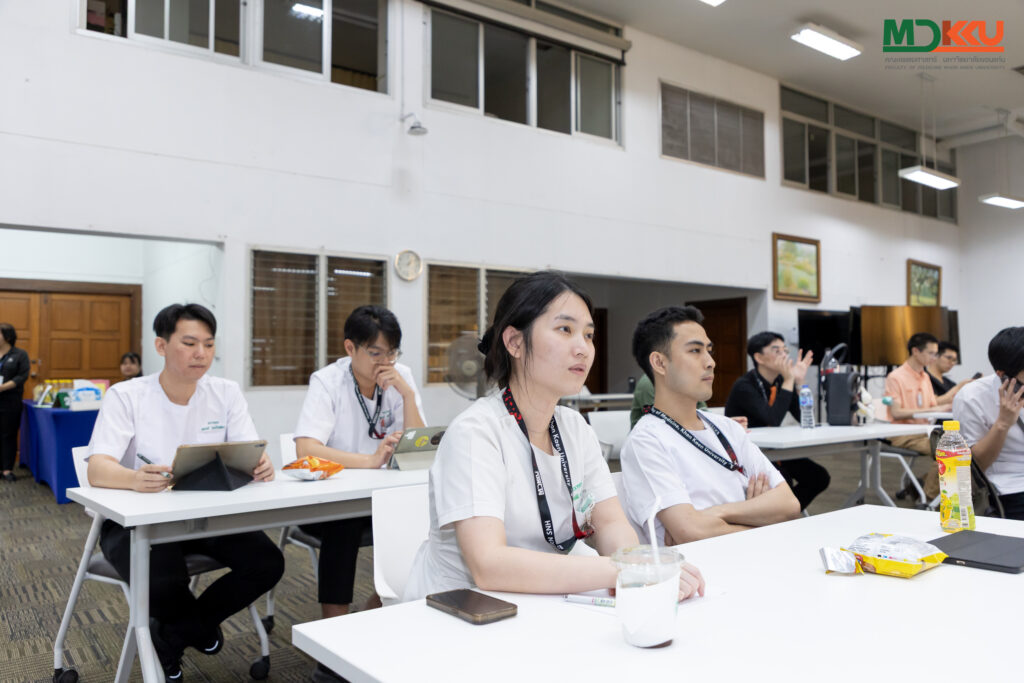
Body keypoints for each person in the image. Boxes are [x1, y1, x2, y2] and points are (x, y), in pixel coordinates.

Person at [404, 271, 704, 603]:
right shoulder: (475, 433)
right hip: (462, 606)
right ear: (515, 342)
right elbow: (488, 565)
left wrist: (637, 569)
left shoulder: (574, 428)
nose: (583, 349)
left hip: (544, 598)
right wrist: (624, 569)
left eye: (588, 335)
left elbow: (609, 523)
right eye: (565, 330)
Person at [86, 304, 284, 682]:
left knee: (267, 563)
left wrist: (261, 464)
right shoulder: (127, 395)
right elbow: (97, 469)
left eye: (209, 345)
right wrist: (132, 478)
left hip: (205, 515)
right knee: (162, 580)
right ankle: (197, 629)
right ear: (161, 346)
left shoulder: (225, 392)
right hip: (136, 523)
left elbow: (248, 450)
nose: (201, 354)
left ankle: (172, 637)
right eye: (190, 343)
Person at [293, 305, 425, 679]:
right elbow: (306, 448)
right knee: (343, 525)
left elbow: (419, 447)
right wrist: (369, 461)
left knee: (424, 523)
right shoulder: (327, 381)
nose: (385, 362)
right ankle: (332, 642)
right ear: (350, 348)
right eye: (375, 353)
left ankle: (373, 615)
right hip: (332, 502)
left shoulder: (401, 377)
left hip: (383, 499)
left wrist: (408, 396)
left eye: (392, 353)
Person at [620, 307, 800, 545]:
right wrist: (757, 516)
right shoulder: (646, 441)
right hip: (703, 566)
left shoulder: (727, 427)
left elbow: (789, 504)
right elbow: (691, 532)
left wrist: (717, 513)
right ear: (660, 363)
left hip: (759, 555)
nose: (711, 362)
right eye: (695, 351)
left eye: (709, 350)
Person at [724, 332, 829, 510]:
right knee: (784, 481)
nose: (784, 355)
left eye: (785, 350)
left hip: (775, 451)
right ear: (759, 357)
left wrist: (799, 383)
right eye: (776, 351)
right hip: (747, 456)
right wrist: (789, 380)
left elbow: (804, 418)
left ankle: (785, 513)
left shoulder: (781, 381)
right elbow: (772, 418)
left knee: (819, 477)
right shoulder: (745, 385)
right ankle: (779, 514)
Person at [954, 327, 1024, 520]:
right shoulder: (972, 397)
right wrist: (1002, 424)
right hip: (1010, 485)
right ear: (1003, 375)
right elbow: (977, 466)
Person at [885, 332, 951, 499]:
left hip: (925, 432)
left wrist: (950, 401)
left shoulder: (925, 377)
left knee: (961, 447)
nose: (934, 358)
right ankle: (929, 498)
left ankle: (920, 486)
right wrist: (933, 410)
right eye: (931, 353)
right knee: (948, 450)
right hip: (903, 434)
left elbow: (932, 405)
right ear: (915, 351)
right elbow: (896, 413)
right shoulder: (896, 377)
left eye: (935, 354)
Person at [630, 373, 747, 430]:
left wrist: (725, 424)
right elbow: (663, 422)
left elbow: (702, 412)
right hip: (653, 445)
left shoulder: (686, 380)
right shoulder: (649, 383)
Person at [0, 323, 30, 482]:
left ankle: (7, 469)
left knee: (8, 435)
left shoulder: (20, 354)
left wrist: (3, 387)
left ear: (7, 336)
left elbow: (22, 376)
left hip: (10, 401)